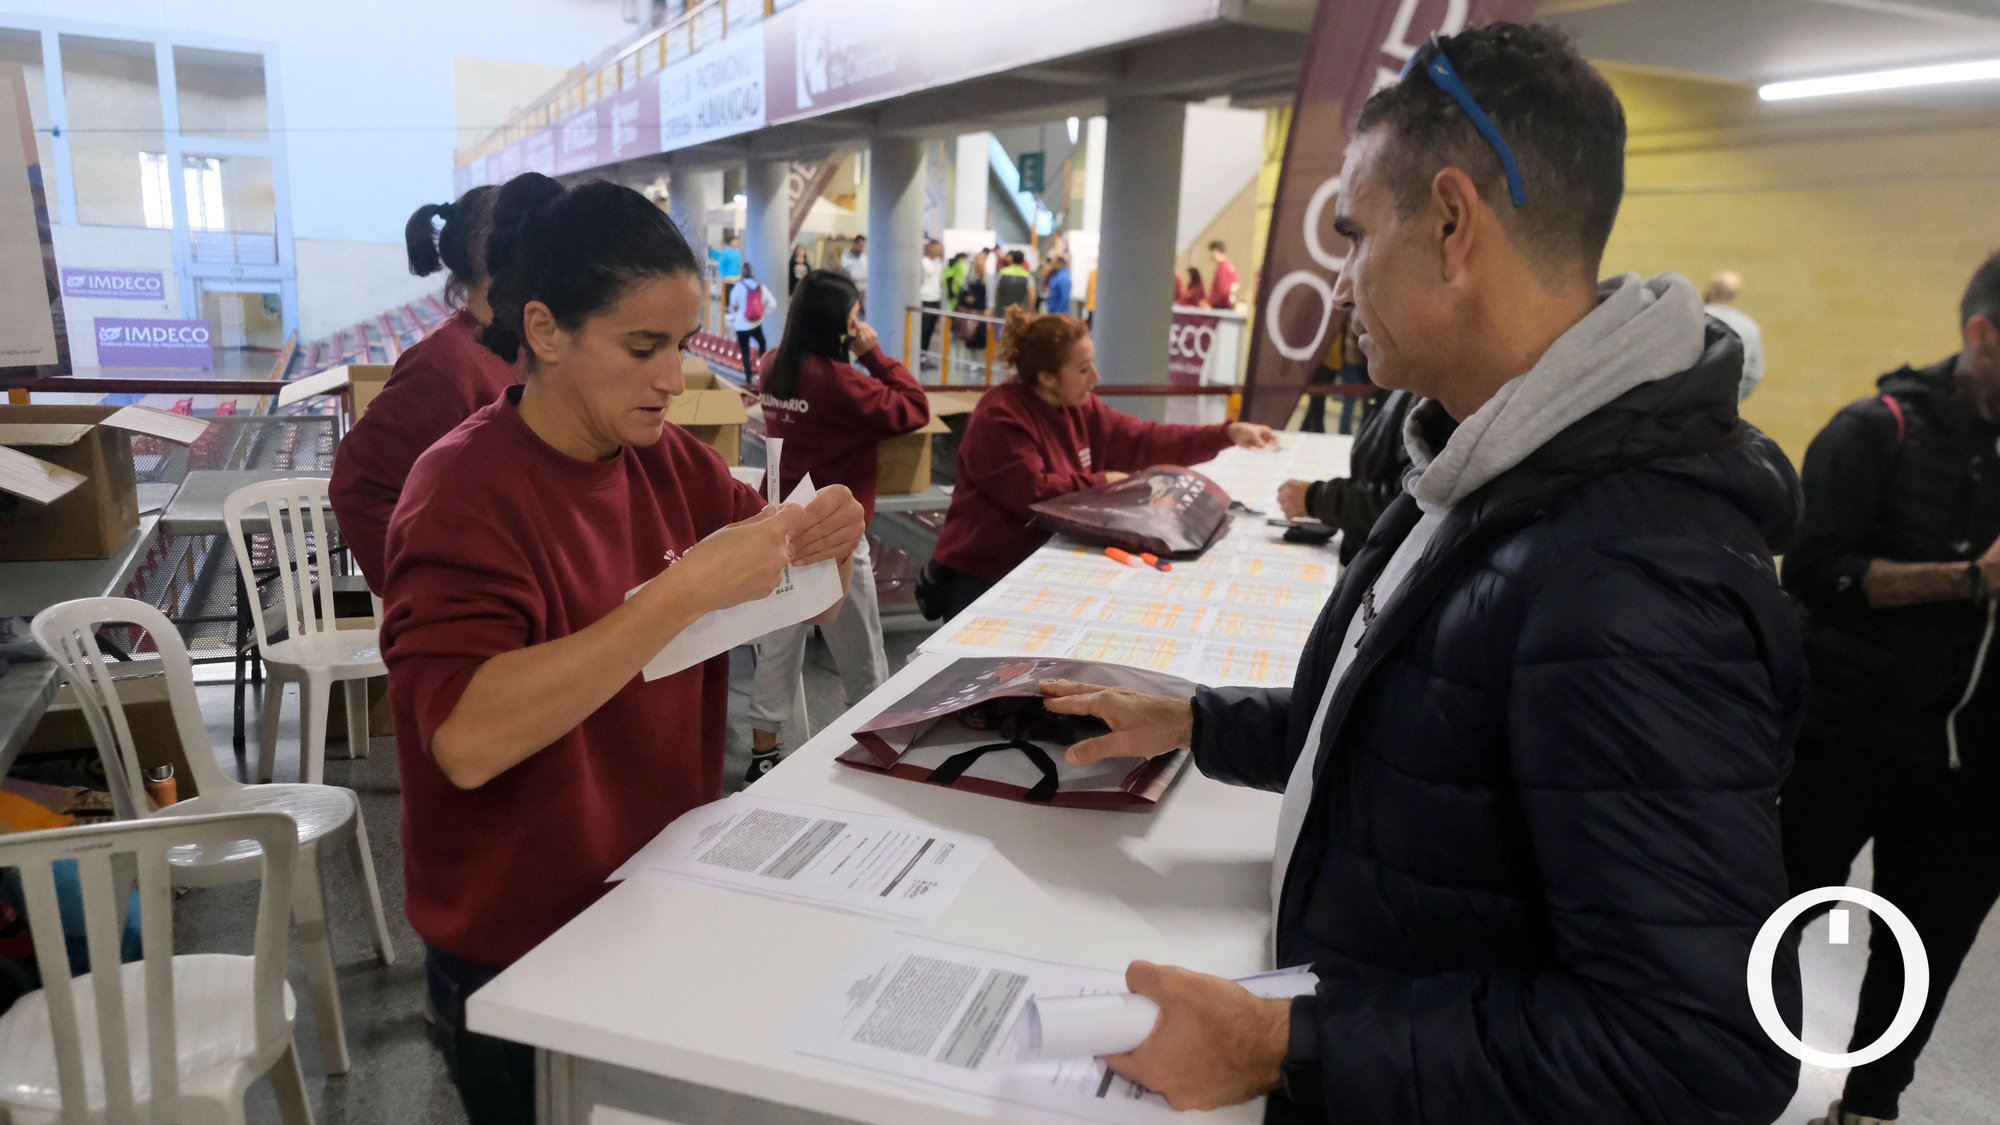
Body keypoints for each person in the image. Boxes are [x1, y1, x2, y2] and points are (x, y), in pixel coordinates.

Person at [1027, 25, 1804, 1122]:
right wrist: (1197, 722)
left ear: (1450, 223)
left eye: (1353, 233)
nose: (1340, 280)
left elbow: (1698, 1047)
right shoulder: (1474, 455)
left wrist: (1291, 1041)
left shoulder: (1633, 575)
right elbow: (1419, 734)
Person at [380, 172, 866, 1125]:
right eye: (643, 347)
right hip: (519, 938)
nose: (674, 377)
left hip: (652, 896)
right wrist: (684, 590)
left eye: (682, 345)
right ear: (547, 332)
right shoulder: (462, 492)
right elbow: (469, 737)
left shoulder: (665, 461)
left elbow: (796, 597)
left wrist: (822, 545)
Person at [1780, 250, 2000, 1125]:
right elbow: (1813, 570)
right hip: (1842, 735)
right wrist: (1967, 580)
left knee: (1926, 947)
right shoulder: (1876, 430)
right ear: (1981, 334)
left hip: (1978, 766)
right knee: (1770, 914)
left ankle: (1868, 1105)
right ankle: (1710, 1071)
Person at [925, 307, 1278, 618]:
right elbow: (1033, 492)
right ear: (1047, 378)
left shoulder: (1079, 407)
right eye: (1083, 369)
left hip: (1044, 566)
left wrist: (1226, 433)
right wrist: (1103, 481)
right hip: (985, 578)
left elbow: (1145, 439)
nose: (1095, 378)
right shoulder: (1000, 416)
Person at [750, 270, 930, 779]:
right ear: (839, 323)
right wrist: (873, 354)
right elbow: (914, 408)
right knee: (862, 649)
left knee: (779, 643)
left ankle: (763, 751)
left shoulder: (771, 368)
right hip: (836, 531)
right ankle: (873, 740)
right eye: (854, 316)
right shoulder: (843, 383)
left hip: (780, 521)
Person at [329, 185, 515, 591]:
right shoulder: (444, 365)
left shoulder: (525, 348)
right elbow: (360, 488)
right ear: (494, 256)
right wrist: (435, 591)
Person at [1276, 387, 1425, 566]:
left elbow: (1406, 506)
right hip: (1372, 558)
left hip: (1387, 566)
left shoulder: (1428, 401)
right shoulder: (1402, 389)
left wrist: (1318, 499)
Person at [1704, 269, 1766, 401]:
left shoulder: (1692, 318)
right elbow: (1754, 373)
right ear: (1732, 295)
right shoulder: (1750, 327)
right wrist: (1734, 399)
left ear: (1712, 289)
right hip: (1725, 404)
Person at [725, 261, 769, 382]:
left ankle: (748, 379)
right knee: (762, 344)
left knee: (745, 353)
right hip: (756, 324)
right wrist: (763, 313)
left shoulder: (739, 286)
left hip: (741, 326)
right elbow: (772, 303)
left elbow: (732, 302)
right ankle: (763, 372)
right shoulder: (759, 286)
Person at [957, 249, 991, 354]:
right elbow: (963, 288)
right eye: (978, 260)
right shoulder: (970, 275)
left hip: (982, 308)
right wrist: (967, 297)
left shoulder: (989, 276)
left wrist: (989, 308)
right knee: (970, 335)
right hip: (970, 309)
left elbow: (991, 293)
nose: (980, 262)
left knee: (980, 336)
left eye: (982, 260)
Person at [919, 239, 945, 359]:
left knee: (930, 331)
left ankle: (924, 356)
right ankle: (920, 356)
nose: (939, 250)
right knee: (923, 330)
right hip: (925, 299)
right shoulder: (923, 263)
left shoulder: (939, 263)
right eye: (937, 247)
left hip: (936, 299)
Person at [994, 249, 1035, 319]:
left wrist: (996, 306)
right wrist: (1029, 310)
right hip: (1019, 312)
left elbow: (996, 292)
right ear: (1023, 261)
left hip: (1003, 310)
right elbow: (1032, 295)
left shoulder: (1002, 272)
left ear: (1012, 260)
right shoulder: (1027, 275)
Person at [710, 232, 742, 308]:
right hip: (728, 279)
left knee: (735, 296)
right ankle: (726, 310)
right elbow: (721, 265)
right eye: (735, 240)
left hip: (737, 278)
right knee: (727, 296)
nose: (737, 242)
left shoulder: (738, 252)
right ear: (731, 241)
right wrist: (724, 276)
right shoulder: (725, 252)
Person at [839, 233, 868, 314]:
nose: (861, 248)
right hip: (851, 289)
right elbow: (846, 272)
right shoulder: (846, 256)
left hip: (863, 291)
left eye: (863, 246)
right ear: (855, 244)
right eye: (860, 245)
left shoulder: (865, 257)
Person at [1206, 239, 1239, 309]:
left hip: (1220, 306)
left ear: (1216, 252)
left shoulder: (1222, 267)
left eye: (1212, 252)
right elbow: (1236, 283)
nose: (1211, 256)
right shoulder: (1228, 266)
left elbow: (1223, 289)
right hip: (1224, 304)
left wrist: (1211, 302)